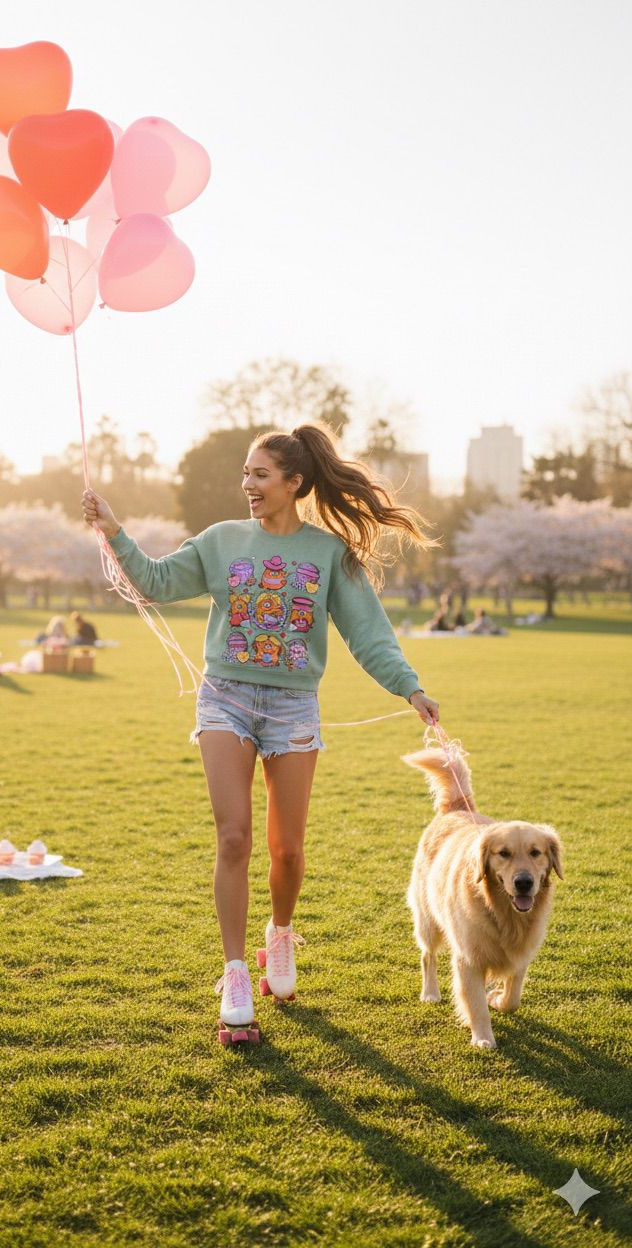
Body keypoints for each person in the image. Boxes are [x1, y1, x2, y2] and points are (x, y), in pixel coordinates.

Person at [82, 421, 440, 1040]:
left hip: (294, 707)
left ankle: (280, 936)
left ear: (294, 482)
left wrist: (410, 686)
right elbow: (159, 582)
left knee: (287, 849)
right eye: (246, 473)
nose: (247, 484)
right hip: (225, 698)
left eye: (260, 474)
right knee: (234, 838)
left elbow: (368, 632)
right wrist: (114, 530)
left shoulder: (328, 554)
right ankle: (236, 970)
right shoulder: (221, 540)